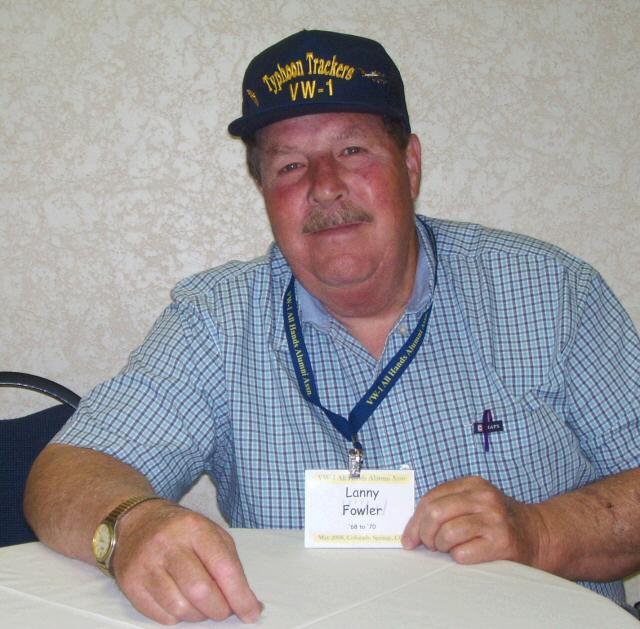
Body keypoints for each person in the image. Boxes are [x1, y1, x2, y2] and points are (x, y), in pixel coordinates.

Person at [24, 29, 640, 624]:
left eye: (352, 151)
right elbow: (66, 471)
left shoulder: (551, 291)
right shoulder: (216, 320)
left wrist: (541, 532)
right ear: (263, 189)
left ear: (410, 164)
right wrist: (131, 524)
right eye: (291, 165)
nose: (324, 187)